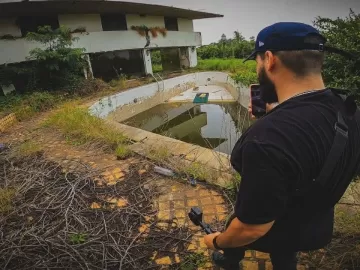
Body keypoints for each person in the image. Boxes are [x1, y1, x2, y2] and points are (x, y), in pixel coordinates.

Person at [203, 22, 360, 270]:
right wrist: (279, 114)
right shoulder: (349, 110)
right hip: (314, 225)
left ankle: (230, 260)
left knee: (242, 226)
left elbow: (250, 228)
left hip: (273, 226)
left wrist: (216, 240)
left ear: (269, 60)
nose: (257, 69)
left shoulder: (266, 139)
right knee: (285, 259)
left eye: (256, 62)